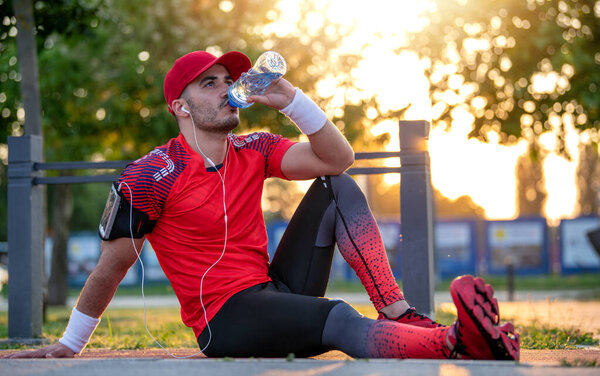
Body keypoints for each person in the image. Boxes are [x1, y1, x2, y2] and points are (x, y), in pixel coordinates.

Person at [7, 50, 519, 360]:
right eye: (210, 84)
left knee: (336, 188)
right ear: (180, 107)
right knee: (337, 318)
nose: (227, 90)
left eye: (228, 81)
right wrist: (72, 343)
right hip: (223, 320)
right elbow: (112, 266)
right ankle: (458, 343)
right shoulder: (151, 174)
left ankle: (406, 317)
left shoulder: (253, 147)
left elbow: (338, 158)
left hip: (271, 288)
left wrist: (291, 99)